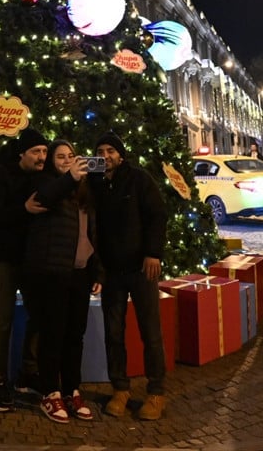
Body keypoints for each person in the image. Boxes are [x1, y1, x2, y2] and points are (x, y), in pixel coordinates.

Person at [90, 131, 168, 421]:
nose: (106, 155)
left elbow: (157, 216)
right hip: (111, 272)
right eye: (101, 150)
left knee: (151, 332)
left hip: (141, 268)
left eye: (111, 150)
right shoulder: (95, 183)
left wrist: (153, 253)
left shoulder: (138, 179)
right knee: (114, 333)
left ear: (120, 155)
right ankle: (120, 388)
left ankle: (156, 392)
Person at [21, 139, 98, 423]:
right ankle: (50, 393)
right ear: (53, 160)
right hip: (53, 271)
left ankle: (71, 390)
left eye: (71, 156)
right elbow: (44, 197)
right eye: (61, 156)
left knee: (74, 334)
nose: (67, 160)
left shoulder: (84, 189)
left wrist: (96, 272)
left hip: (80, 272)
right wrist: (70, 177)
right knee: (53, 333)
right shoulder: (46, 182)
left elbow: (94, 231)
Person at [0, 126, 50, 414]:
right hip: (3, 257)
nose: (42, 157)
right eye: (36, 152)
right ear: (22, 153)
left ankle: (27, 373)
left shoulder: (41, 177)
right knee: (1, 319)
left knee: (38, 315)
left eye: (45, 151)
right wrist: (24, 209)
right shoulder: (0, 175)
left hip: (30, 257)